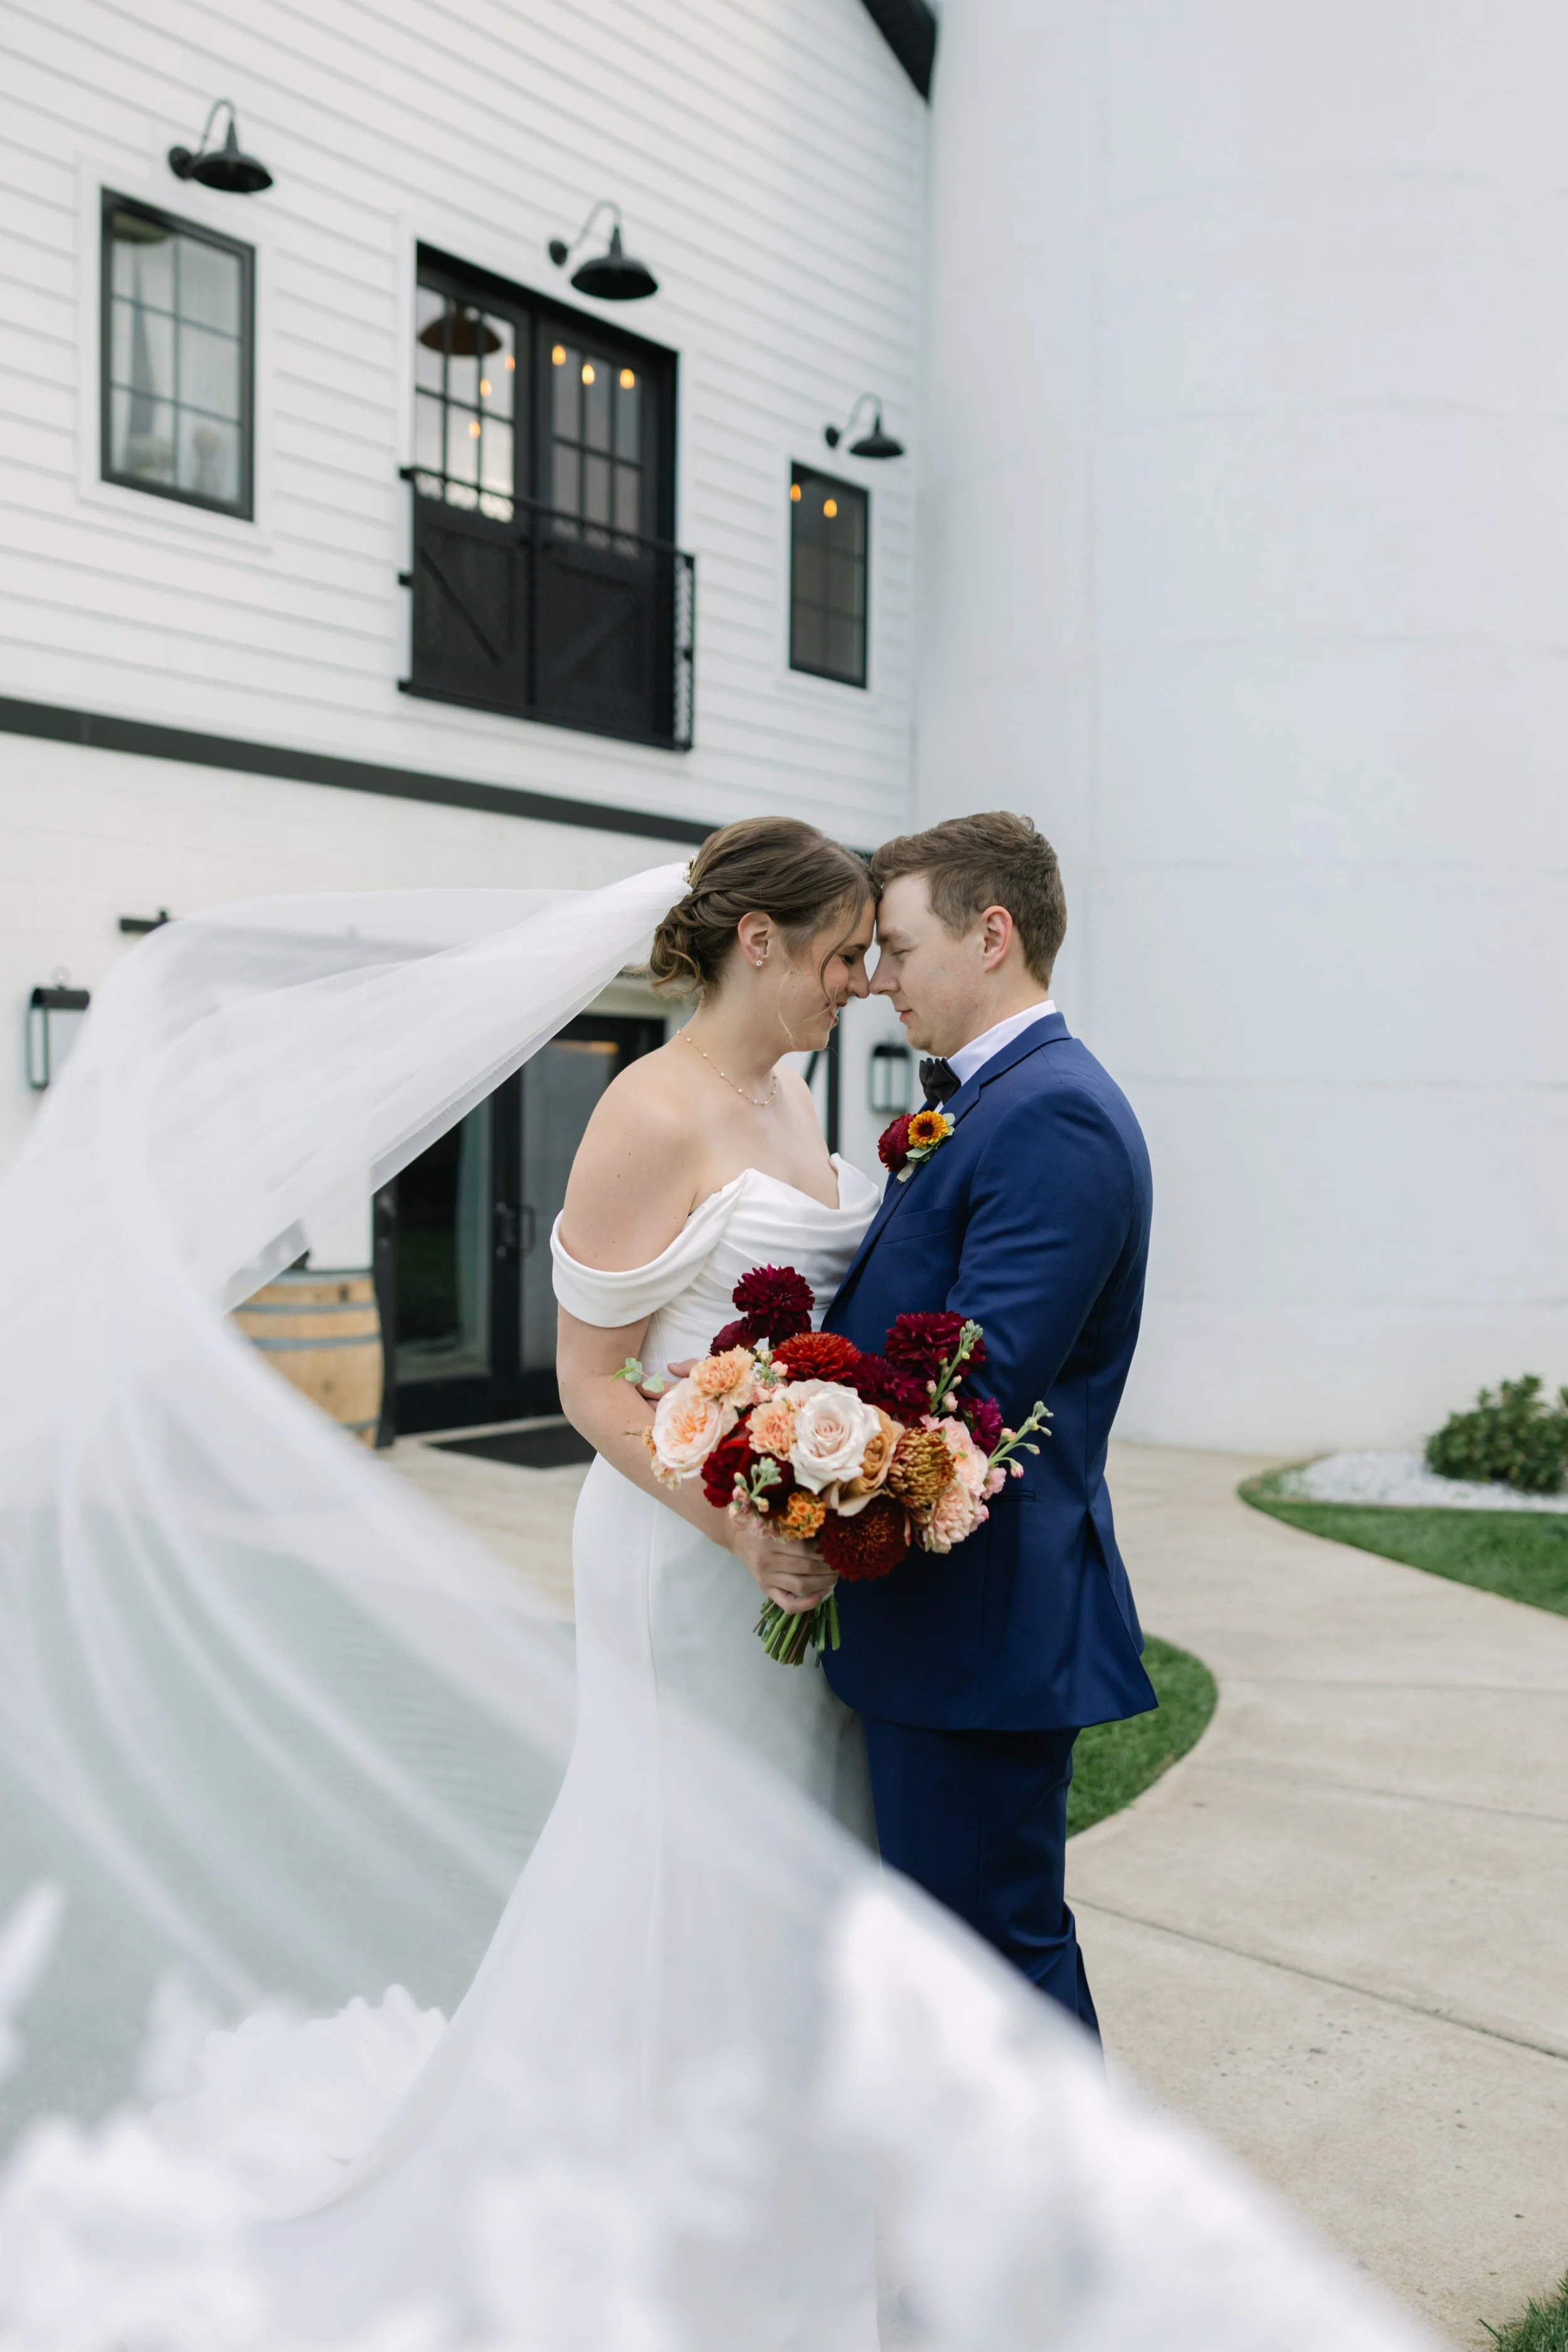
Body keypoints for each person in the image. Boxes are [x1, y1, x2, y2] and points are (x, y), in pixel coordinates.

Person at [823, 811, 1157, 2035]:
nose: (877, 982)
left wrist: (795, 1443)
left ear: (992, 935)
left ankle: (1064, 2224)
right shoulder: (989, 1103)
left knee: (991, 1959)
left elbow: (970, 1391)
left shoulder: (1050, 1114)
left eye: (900, 950)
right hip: (937, 1628)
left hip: (982, 1630)